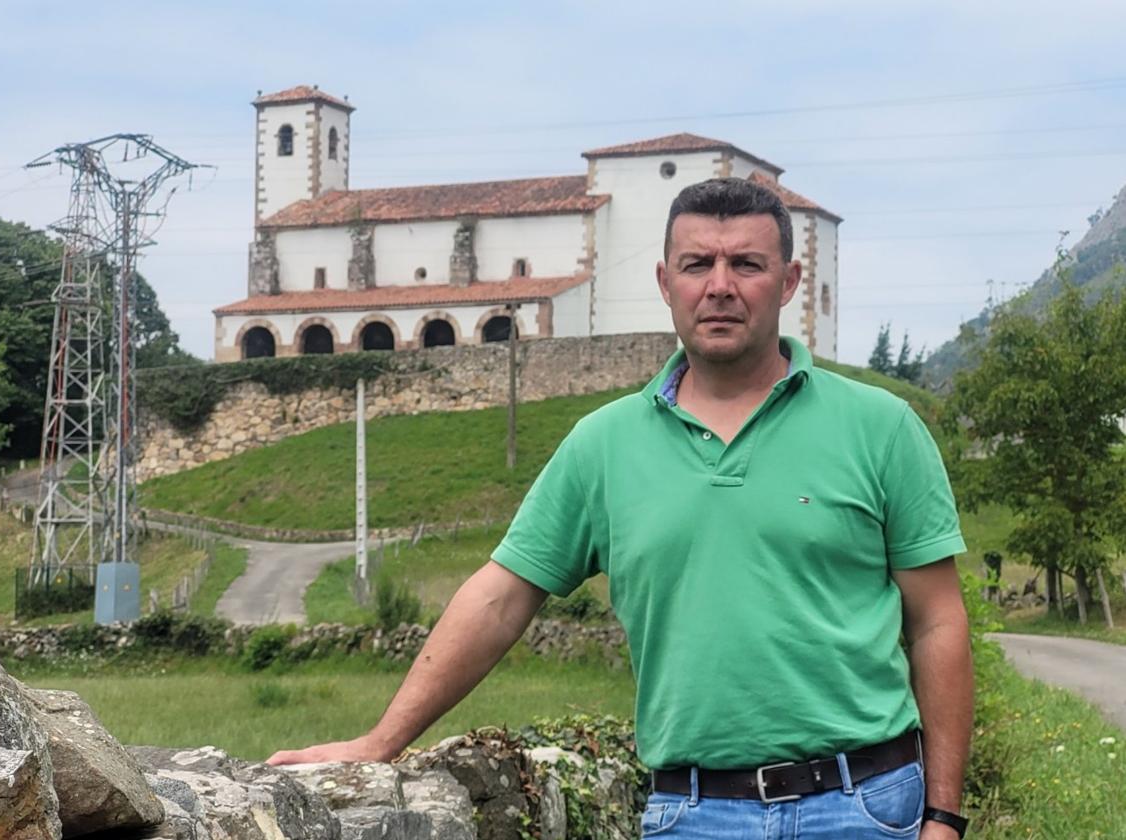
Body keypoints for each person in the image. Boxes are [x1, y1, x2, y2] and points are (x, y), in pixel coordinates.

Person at [268, 177, 974, 840]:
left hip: (867, 808)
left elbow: (938, 620)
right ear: (665, 283)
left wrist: (943, 815)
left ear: (789, 282)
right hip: (693, 815)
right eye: (697, 264)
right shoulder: (602, 446)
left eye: (747, 265)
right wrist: (381, 742)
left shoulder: (881, 428)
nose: (720, 286)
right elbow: (500, 600)